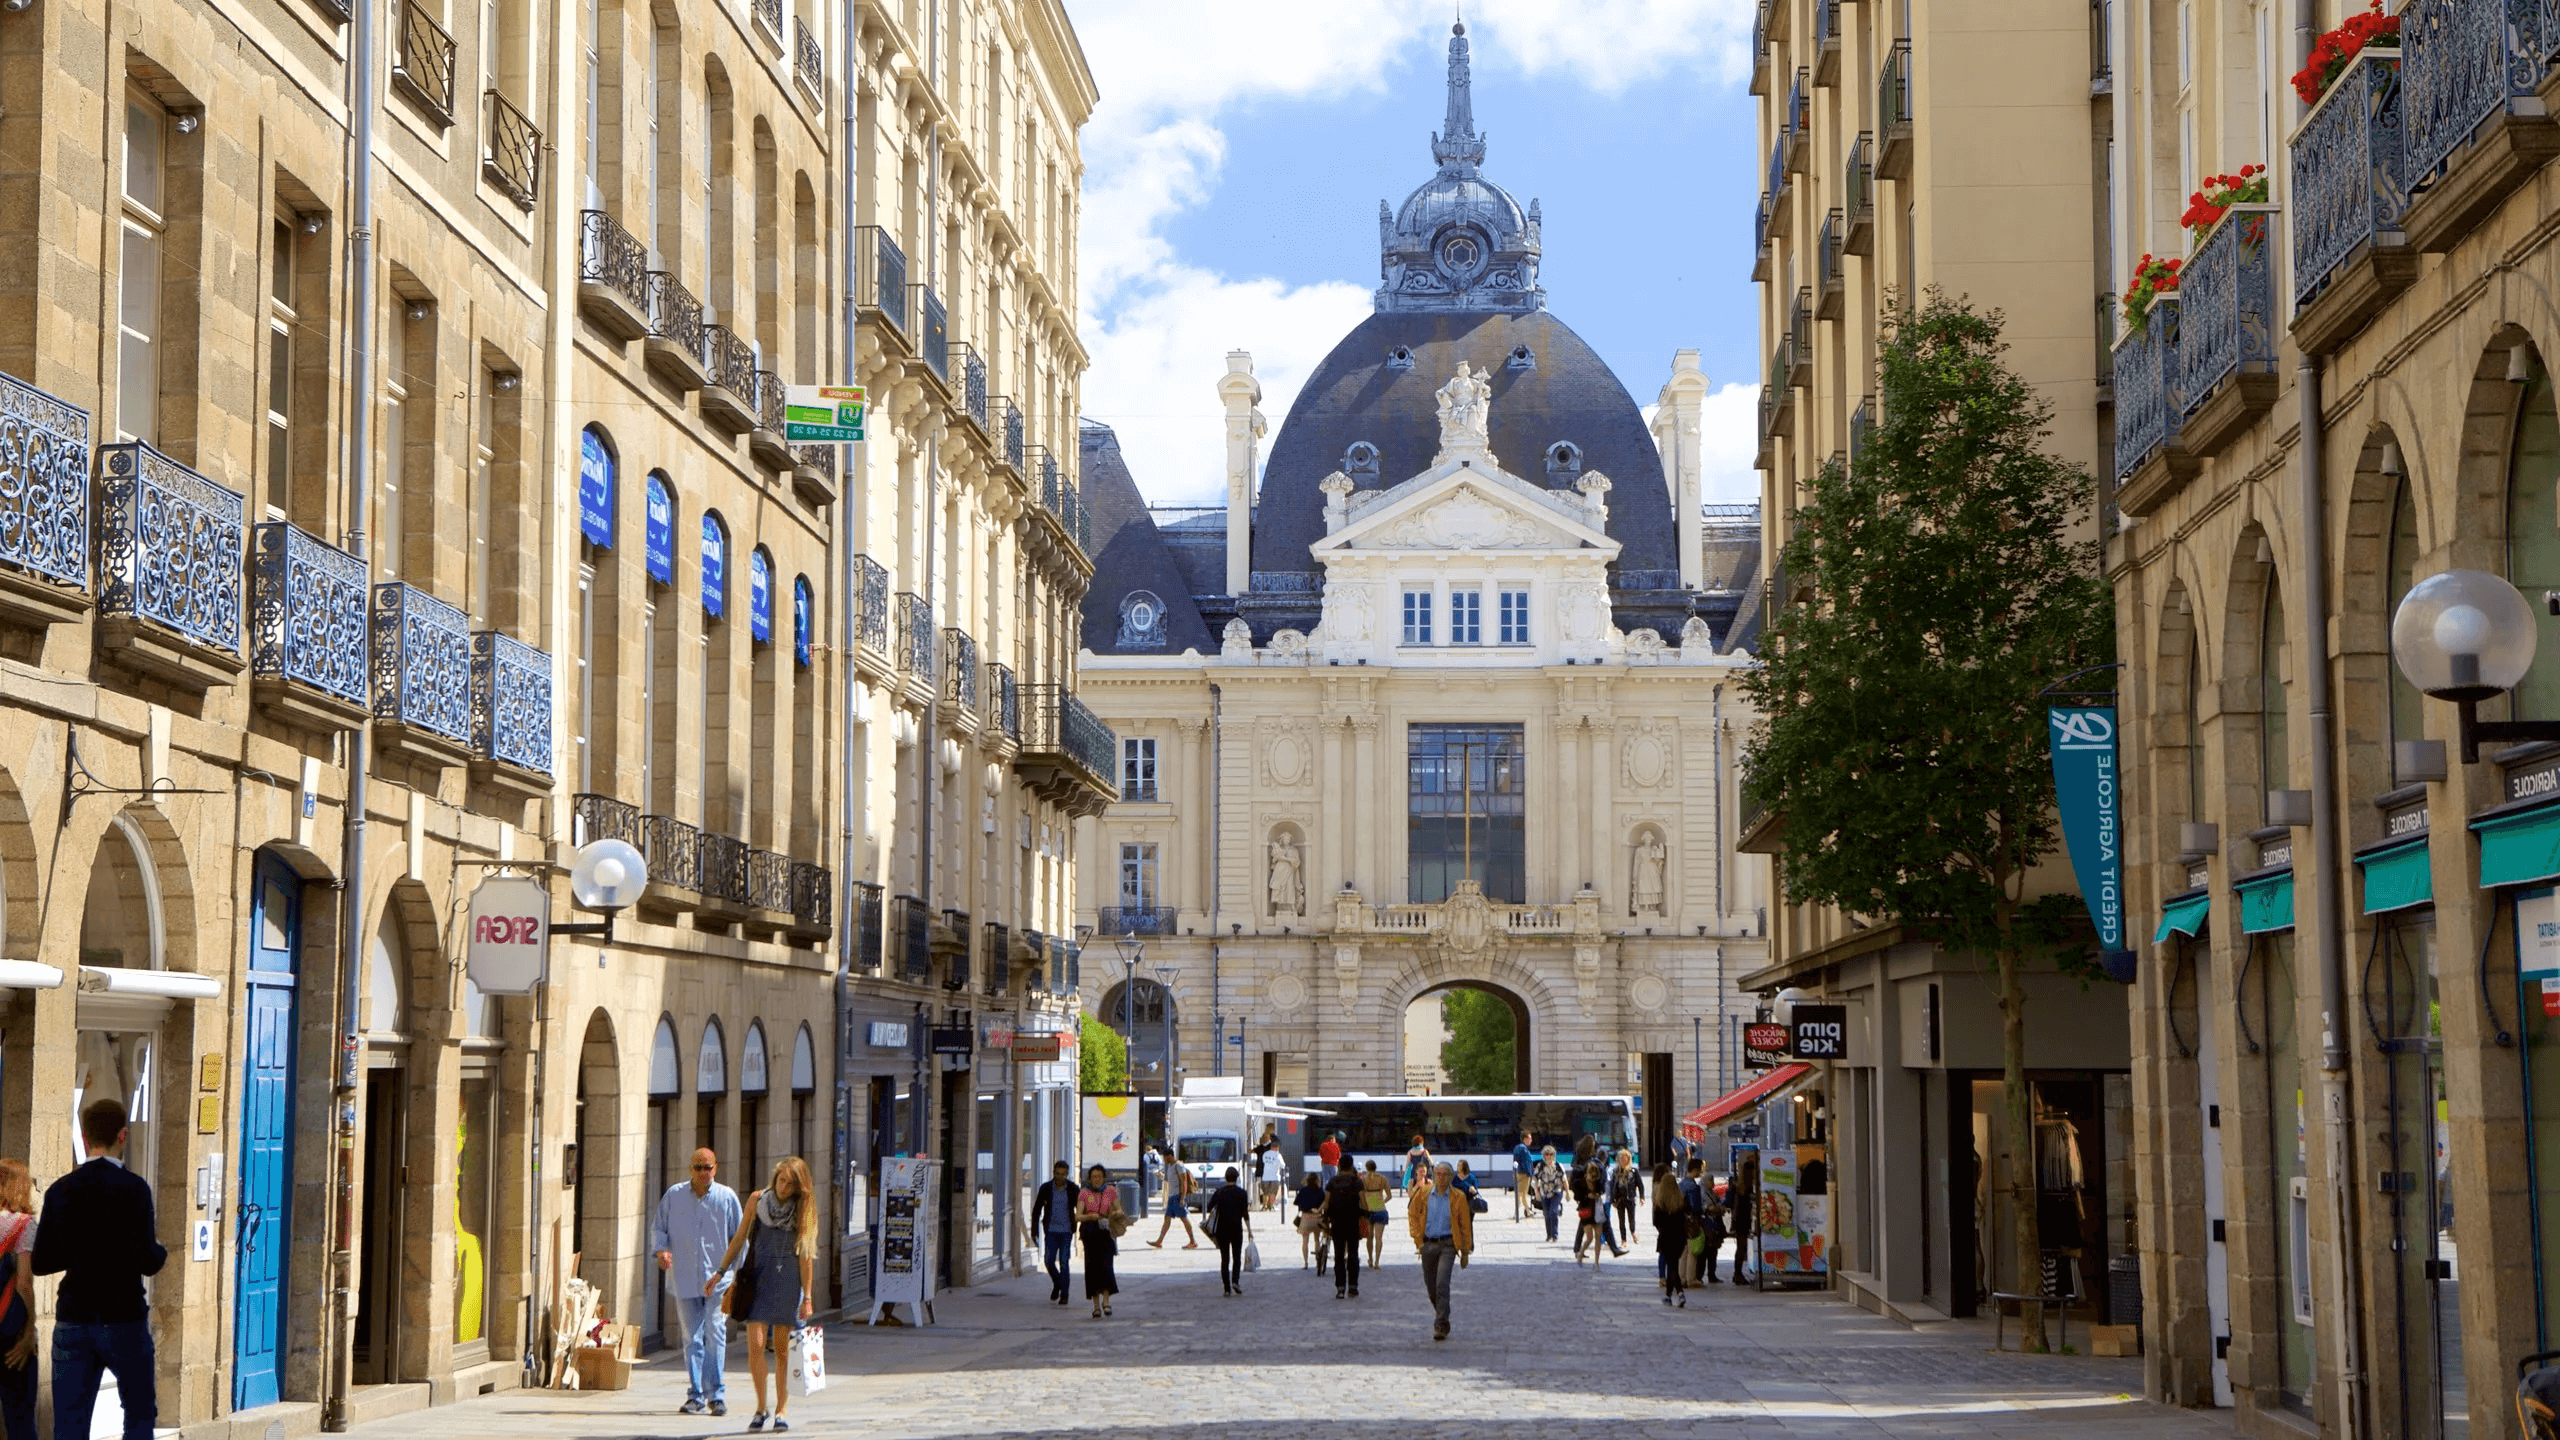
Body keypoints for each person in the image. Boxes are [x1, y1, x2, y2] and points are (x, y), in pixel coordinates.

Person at [36, 1098, 168, 1440]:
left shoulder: (60, 1190)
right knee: (138, 1415)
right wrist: (160, 1252)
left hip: (75, 1316)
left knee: (69, 1422)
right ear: (122, 1136)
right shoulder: (135, 1189)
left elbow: (40, 1262)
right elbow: (147, 1261)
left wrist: (78, 1251)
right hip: (123, 1314)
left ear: (83, 1136)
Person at [711, 1157, 818, 1434]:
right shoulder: (758, 1200)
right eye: (781, 1180)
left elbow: (806, 1254)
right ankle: (761, 1407)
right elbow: (739, 1237)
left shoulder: (802, 1206)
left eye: (790, 1183)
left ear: (798, 1186)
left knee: (782, 1350)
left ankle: (782, 1409)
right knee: (755, 1345)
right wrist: (720, 1271)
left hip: (787, 1280)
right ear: (775, 1178)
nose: (783, 1187)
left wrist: (807, 1296)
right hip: (757, 1277)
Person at [651, 1147, 745, 1416]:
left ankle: (716, 1395)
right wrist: (662, 1251)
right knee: (691, 1338)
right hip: (684, 1278)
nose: (703, 1173)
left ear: (715, 1169)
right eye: (698, 1168)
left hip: (718, 1281)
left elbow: (739, 1239)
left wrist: (736, 1276)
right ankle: (695, 1395)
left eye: (708, 1168)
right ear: (690, 1169)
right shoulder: (674, 1196)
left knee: (715, 1334)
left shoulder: (727, 1198)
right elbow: (659, 1228)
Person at [1406, 1161, 1474, 1342]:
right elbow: (1412, 1215)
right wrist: (1417, 1241)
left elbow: (1465, 1225)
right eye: (1438, 1174)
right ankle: (1443, 1315)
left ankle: (1440, 1324)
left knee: (1442, 1283)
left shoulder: (1458, 1197)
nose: (1441, 1178)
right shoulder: (1424, 1193)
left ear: (1451, 1177)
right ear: (1434, 1175)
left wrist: (1465, 1251)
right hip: (1427, 1244)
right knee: (1431, 1287)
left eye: (1445, 1174)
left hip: (1448, 1245)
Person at [0, 1160, 37, 1440]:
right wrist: (29, 1332)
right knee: (19, 1418)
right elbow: (24, 1283)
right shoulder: (22, 1225)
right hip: (10, 1332)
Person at [1024, 1160, 1078, 1305]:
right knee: (1048, 1260)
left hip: (1066, 1231)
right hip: (1051, 1231)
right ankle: (1058, 1283)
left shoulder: (1073, 1188)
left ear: (1067, 1174)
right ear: (1053, 1173)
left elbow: (1081, 1208)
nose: (1060, 1177)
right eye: (1057, 1174)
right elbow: (1036, 1210)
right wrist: (1034, 1230)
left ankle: (1064, 1294)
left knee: (1064, 1262)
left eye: (1063, 1174)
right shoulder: (1046, 1188)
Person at [1076, 1165, 1125, 1318]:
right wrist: (1090, 1217)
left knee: (1106, 1266)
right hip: (1090, 1232)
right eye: (1094, 1176)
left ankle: (1106, 1301)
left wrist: (1115, 1213)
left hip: (1105, 1231)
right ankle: (1096, 1305)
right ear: (1089, 1178)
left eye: (1099, 1176)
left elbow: (1119, 1209)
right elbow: (1078, 1216)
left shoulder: (1110, 1191)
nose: (1096, 1179)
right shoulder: (1084, 1193)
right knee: (1091, 1267)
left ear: (1104, 1177)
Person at [1206, 1166, 1254, 1295]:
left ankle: (1227, 1288)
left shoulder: (1220, 1192)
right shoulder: (1242, 1193)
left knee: (1225, 1258)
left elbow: (1209, 1207)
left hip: (1222, 1229)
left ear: (1226, 1178)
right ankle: (1235, 1282)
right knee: (1237, 1257)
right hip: (1236, 1228)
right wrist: (1249, 1230)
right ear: (1237, 1178)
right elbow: (1245, 1213)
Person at [1322, 1163, 1368, 1298]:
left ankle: (1340, 1289)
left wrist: (1326, 1217)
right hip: (1353, 1223)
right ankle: (1353, 1287)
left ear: (1340, 1167)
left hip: (1337, 1223)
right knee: (1353, 1255)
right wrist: (1365, 1214)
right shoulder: (1357, 1182)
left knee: (1339, 1256)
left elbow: (1326, 1202)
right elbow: (1363, 1201)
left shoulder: (1332, 1182)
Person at [1651, 1164, 1693, 1308]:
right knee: (1673, 1265)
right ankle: (1668, 1296)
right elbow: (1687, 1215)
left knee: (1672, 1266)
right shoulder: (1681, 1201)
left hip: (1666, 1237)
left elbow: (1656, 1222)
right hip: (1680, 1237)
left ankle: (1680, 1294)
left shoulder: (1660, 1204)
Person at [1146, 1152, 1199, 1249]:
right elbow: (1169, 1180)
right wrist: (1161, 1176)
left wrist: (1182, 1198)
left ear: (1170, 1157)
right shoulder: (1170, 1167)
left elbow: (1184, 1183)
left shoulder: (1179, 1166)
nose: (1164, 1160)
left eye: (1165, 1158)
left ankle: (1193, 1241)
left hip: (1177, 1196)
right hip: (1172, 1197)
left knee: (1184, 1218)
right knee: (1167, 1218)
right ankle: (1159, 1241)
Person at [1359, 1160, 1393, 1270]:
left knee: (1369, 1237)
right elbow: (1389, 1196)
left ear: (1366, 1168)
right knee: (1379, 1238)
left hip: (1368, 1210)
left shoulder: (1363, 1180)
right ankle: (1377, 1262)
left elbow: (1361, 1196)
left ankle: (1370, 1258)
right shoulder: (1383, 1179)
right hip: (1380, 1209)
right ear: (1376, 1167)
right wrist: (1382, 1201)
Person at [1530, 1146, 1568, 1242]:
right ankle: (1549, 1235)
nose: (1549, 1157)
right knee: (1547, 1214)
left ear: (1554, 1156)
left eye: (1551, 1154)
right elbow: (1534, 1180)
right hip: (1544, 1192)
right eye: (1547, 1155)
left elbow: (1564, 1180)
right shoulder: (1540, 1166)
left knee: (1553, 1212)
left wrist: (1568, 1192)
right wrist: (1537, 1192)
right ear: (1544, 1156)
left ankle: (1555, 1235)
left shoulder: (1559, 1166)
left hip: (1557, 1191)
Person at [1294, 1173, 1330, 1271]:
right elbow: (1325, 1203)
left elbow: (1297, 1203)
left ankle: (1305, 1263)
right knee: (1317, 1239)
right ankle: (1318, 1261)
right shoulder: (1320, 1191)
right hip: (1317, 1217)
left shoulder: (1302, 1190)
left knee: (1305, 1241)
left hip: (1306, 1217)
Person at [1609, 1149, 1644, 1242]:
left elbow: (1640, 1185)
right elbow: (1612, 1186)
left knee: (1631, 1219)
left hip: (1630, 1199)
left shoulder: (1633, 1171)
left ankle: (1633, 1233)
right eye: (1622, 1158)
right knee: (1621, 1221)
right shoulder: (1616, 1172)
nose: (1624, 1160)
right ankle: (1623, 1240)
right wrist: (1612, 1199)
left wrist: (1642, 1197)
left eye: (1626, 1158)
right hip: (1620, 1200)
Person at [1510, 1133, 1536, 1221]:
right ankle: (1525, 1212)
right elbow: (1526, 1163)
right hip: (1524, 1175)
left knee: (1520, 1193)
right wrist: (1530, 1174)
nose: (1531, 1140)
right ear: (1525, 1138)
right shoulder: (1524, 1149)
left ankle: (1527, 1211)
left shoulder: (1517, 1147)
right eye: (1529, 1138)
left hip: (1517, 1173)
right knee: (1523, 1194)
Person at [1257, 1144, 1286, 1211]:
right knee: (1273, 1193)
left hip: (1265, 1176)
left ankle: (1264, 1206)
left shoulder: (1265, 1154)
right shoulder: (1278, 1155)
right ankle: (1271, 1206)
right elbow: (1283, 1165)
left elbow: (1264, 1161)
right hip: (1275, 1177)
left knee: (1265, 1193)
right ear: (1277, 1148)